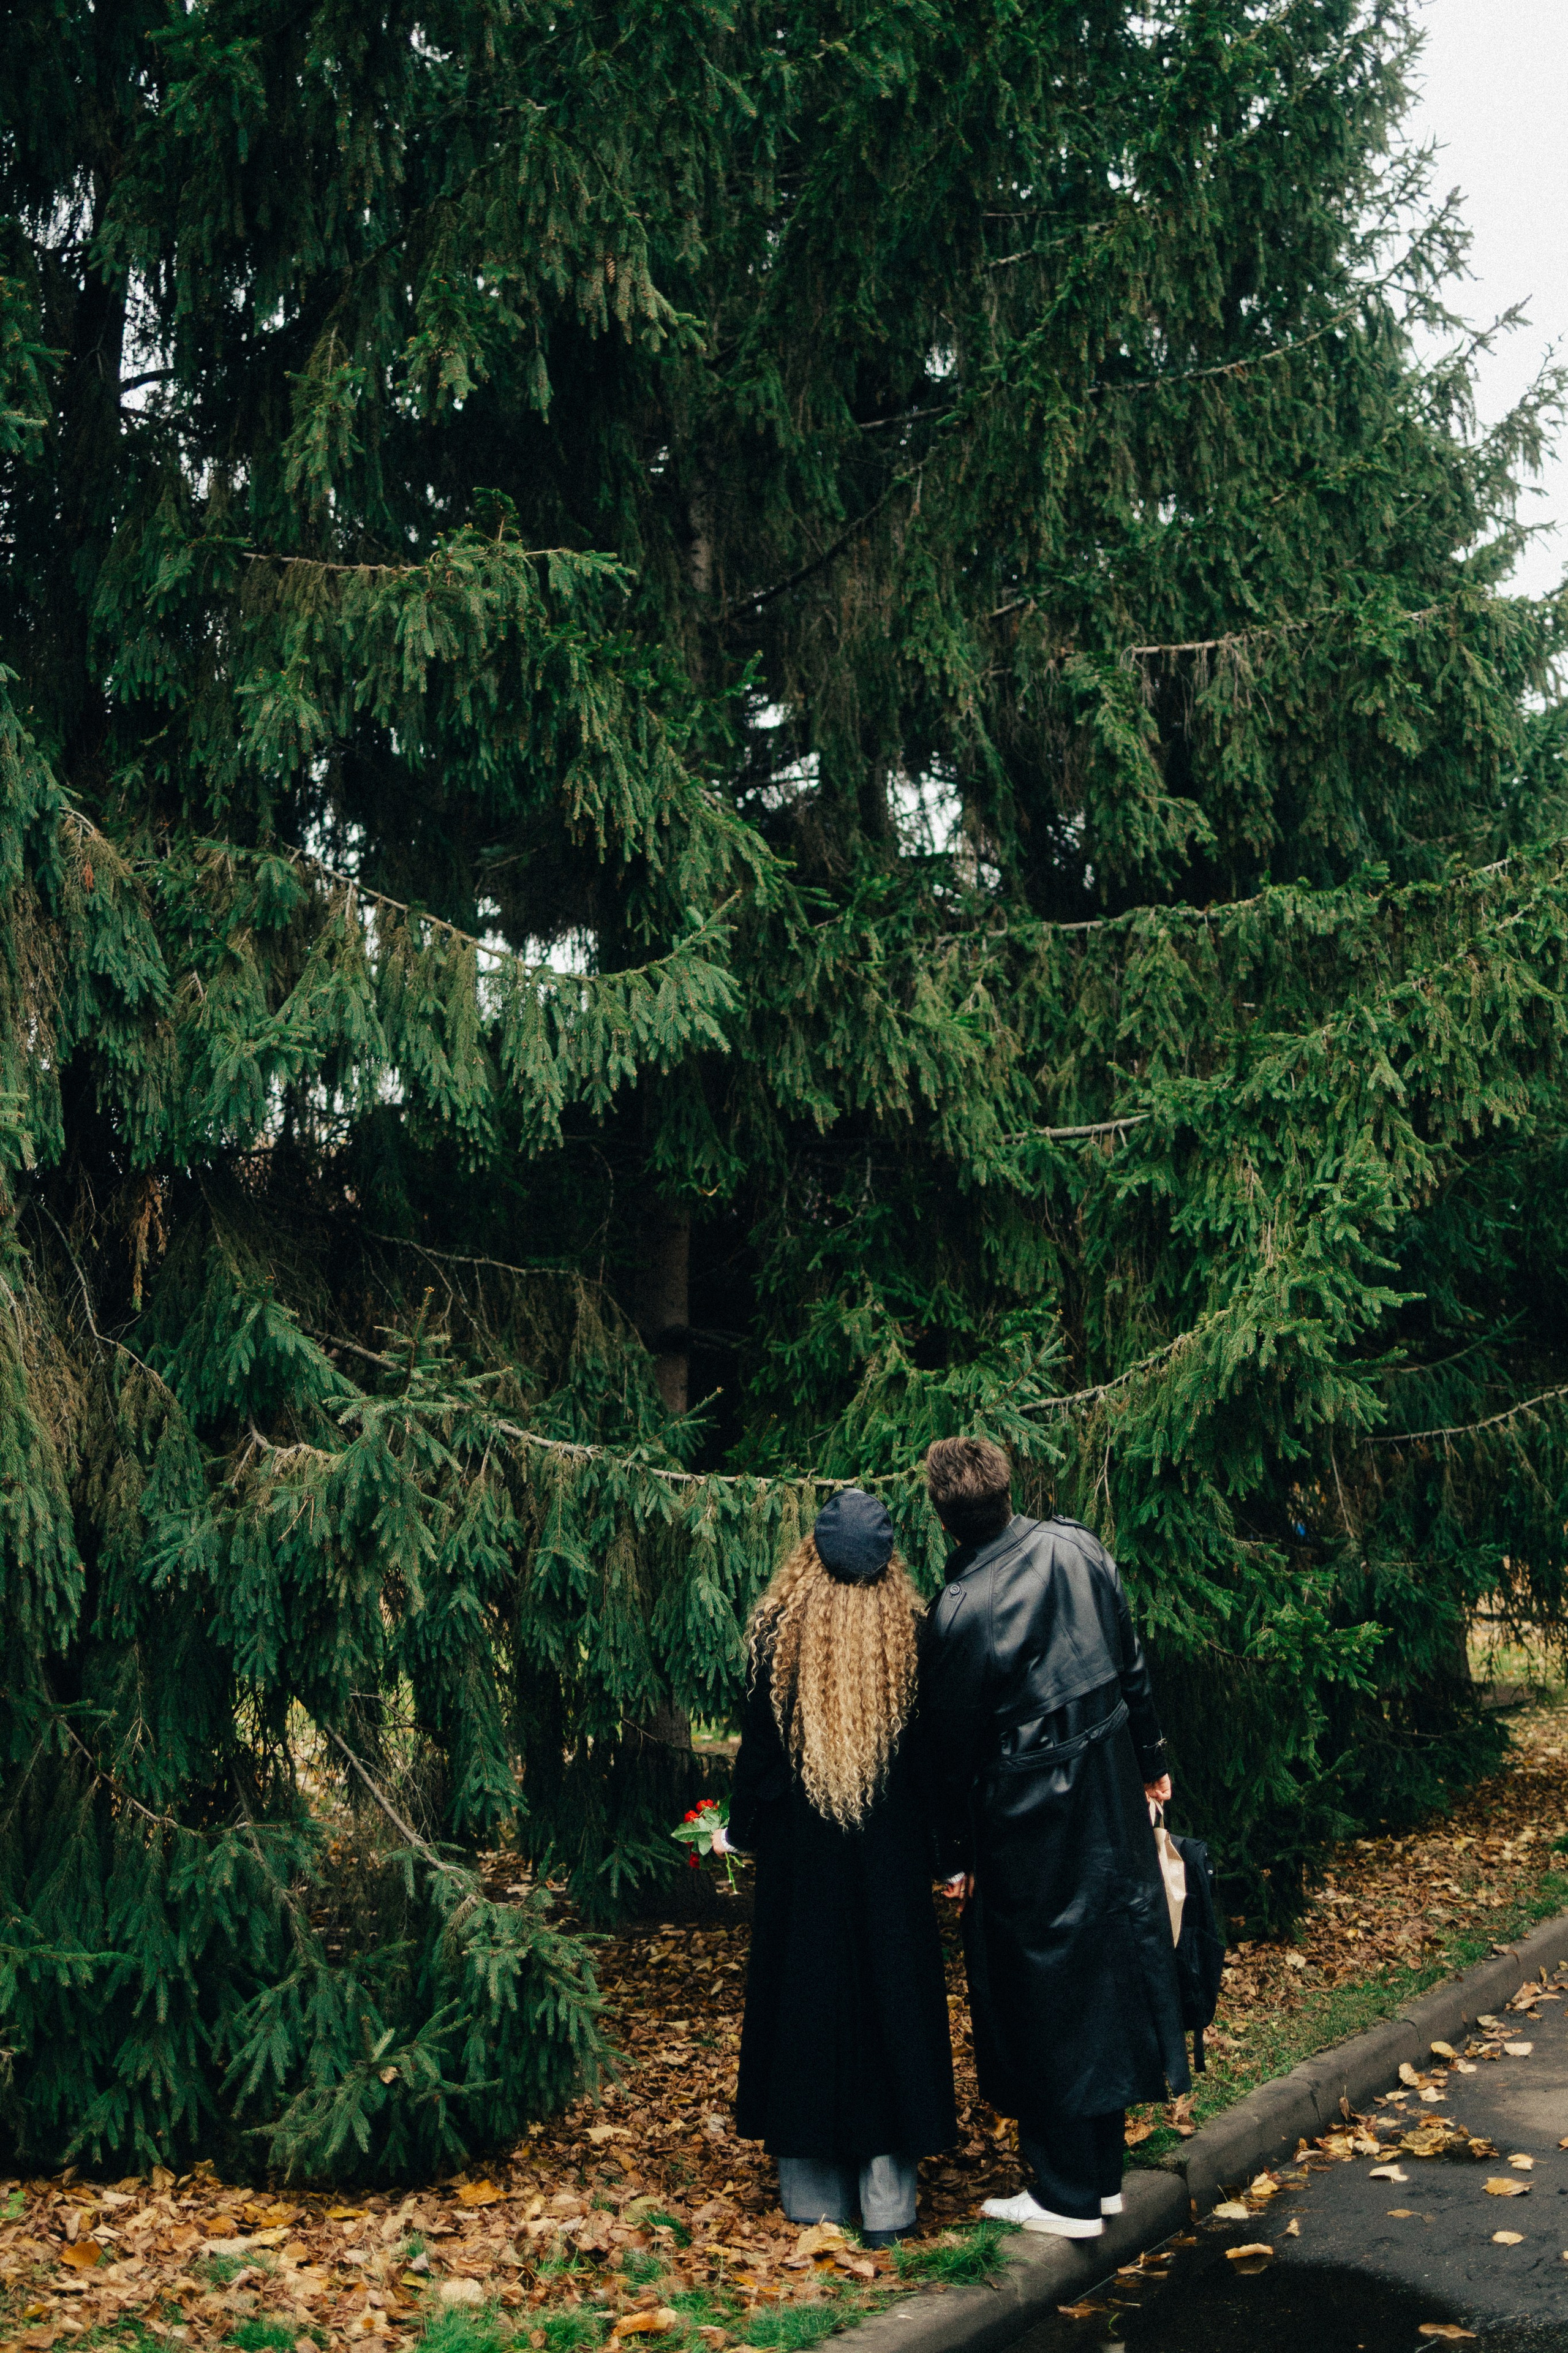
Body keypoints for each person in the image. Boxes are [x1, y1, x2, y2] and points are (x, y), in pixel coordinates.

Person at [919, 1436, 1188, 2238]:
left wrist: (956, 1860)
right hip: (1103, 1788)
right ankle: (1094, 2178)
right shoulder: (1077, 1545)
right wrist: (1151, 1762)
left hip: (1025, 1820)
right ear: (1007, 1490)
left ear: (945, 1516)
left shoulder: (958, 1611)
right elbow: (1130, 1659)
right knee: (1099, 1972)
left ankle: (1069, 2193)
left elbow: (947, 1757)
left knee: (1041, 1994)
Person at [714, 1489, 957, 2245]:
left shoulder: (777, 1637)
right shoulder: (916, 1635)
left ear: (811, 1555)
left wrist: (743, 1831)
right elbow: (934, 1769)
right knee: (891, 2007)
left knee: (807, 2007)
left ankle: (814, 2199)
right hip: (889, 1867)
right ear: (890, 1564)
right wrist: (947, 1856)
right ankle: (889, 2205)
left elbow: (757, 1762)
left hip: (804, 1867)